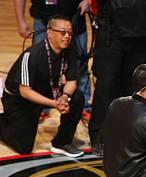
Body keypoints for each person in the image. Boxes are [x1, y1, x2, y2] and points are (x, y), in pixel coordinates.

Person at [0, 15, 84, 157]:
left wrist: (64, 96)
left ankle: (62, 143)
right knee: (24, 147)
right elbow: (25, 91)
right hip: (20, 99)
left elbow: (72, 81)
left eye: (70, 33)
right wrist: (54, 103)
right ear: (49, 33)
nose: (67, 37)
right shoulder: (32, 55)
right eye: (62, 32)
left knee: (76, 98)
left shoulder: (70, 49)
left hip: (48, 91)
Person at [89, 0, 146, 156]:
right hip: (112, 33)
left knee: (136, 88)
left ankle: (133, 135)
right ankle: (99, 138)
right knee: (106, 87)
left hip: (142, 32)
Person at [13, 0, 92, 112]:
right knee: (41, 68)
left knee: (80, 64)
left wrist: (88, 1)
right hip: (42, 17)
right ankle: (41, 107)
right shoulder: (32, 54)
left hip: (75, 17)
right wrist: (20, 20)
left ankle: (83, 106)